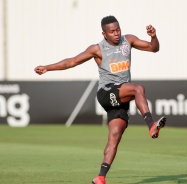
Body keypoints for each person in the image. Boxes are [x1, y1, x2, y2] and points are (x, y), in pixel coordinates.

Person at [34, 15, 166, 184]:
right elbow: (71, 62)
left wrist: (153, 37)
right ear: (104, 33)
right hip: (106, 92)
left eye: (118, 29)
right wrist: (47, 67)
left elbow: (153, 49)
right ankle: (151, 125)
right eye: (112, 31)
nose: (117, 33)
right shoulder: (97, 49)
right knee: (138, 89)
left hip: (121, 97)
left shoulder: (129, 40)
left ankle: (100, 177)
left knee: (115, 136)